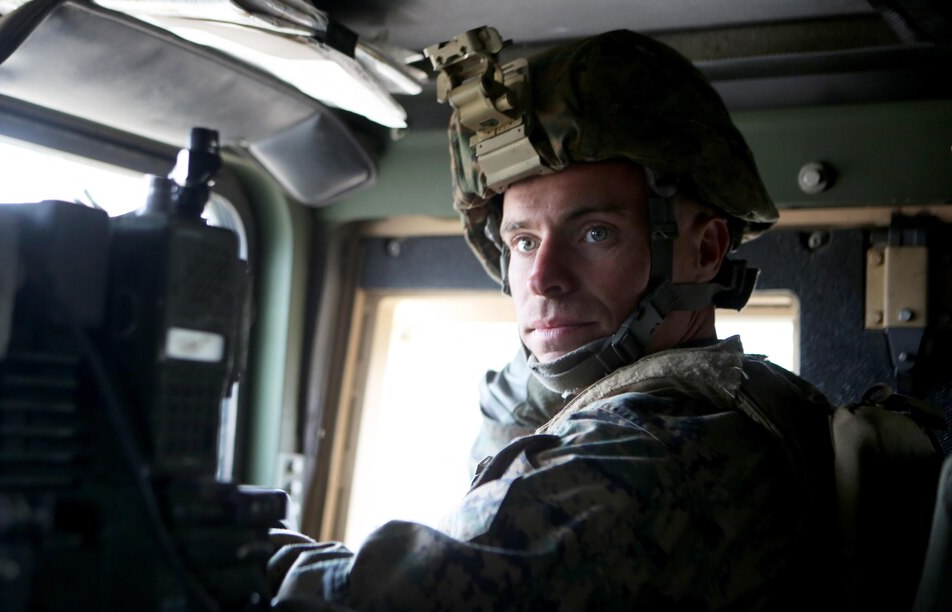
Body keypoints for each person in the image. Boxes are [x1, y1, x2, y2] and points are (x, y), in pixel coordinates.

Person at [269, 27, 836, 610]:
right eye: (522, 241)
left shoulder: (642, 455)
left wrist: (233, 550)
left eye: (596, 233)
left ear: (706, 250)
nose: (542, 279)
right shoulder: (744, 396)